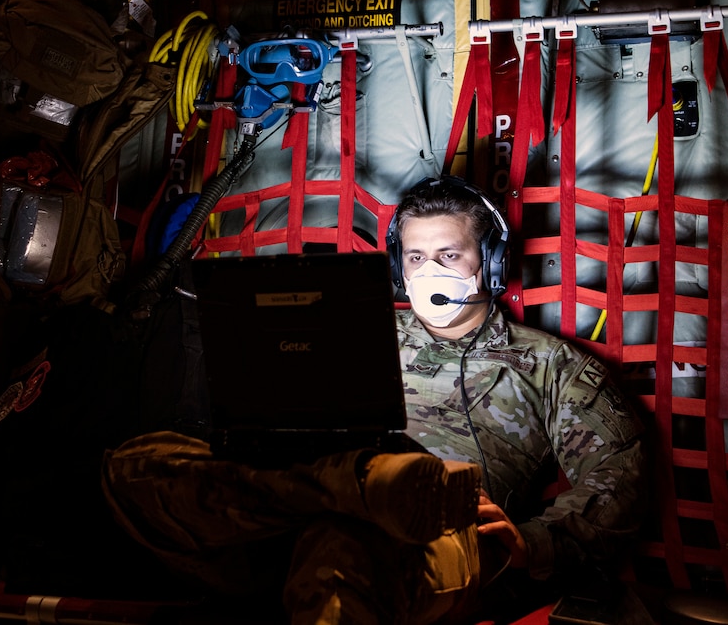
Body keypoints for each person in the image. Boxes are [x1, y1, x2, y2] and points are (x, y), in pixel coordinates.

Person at [101, 175, 648, 624]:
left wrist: (532, 543)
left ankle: (373, 490)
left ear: (491, 263)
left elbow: (620, 475)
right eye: (415, 257)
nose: (428, 270)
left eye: (449, 255)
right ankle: (359, 485)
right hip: (291, 516)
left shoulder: (549, 365)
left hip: (434, 537)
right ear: (397, 267)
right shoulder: (355, 329)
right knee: (137, 465)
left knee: (341, 546)